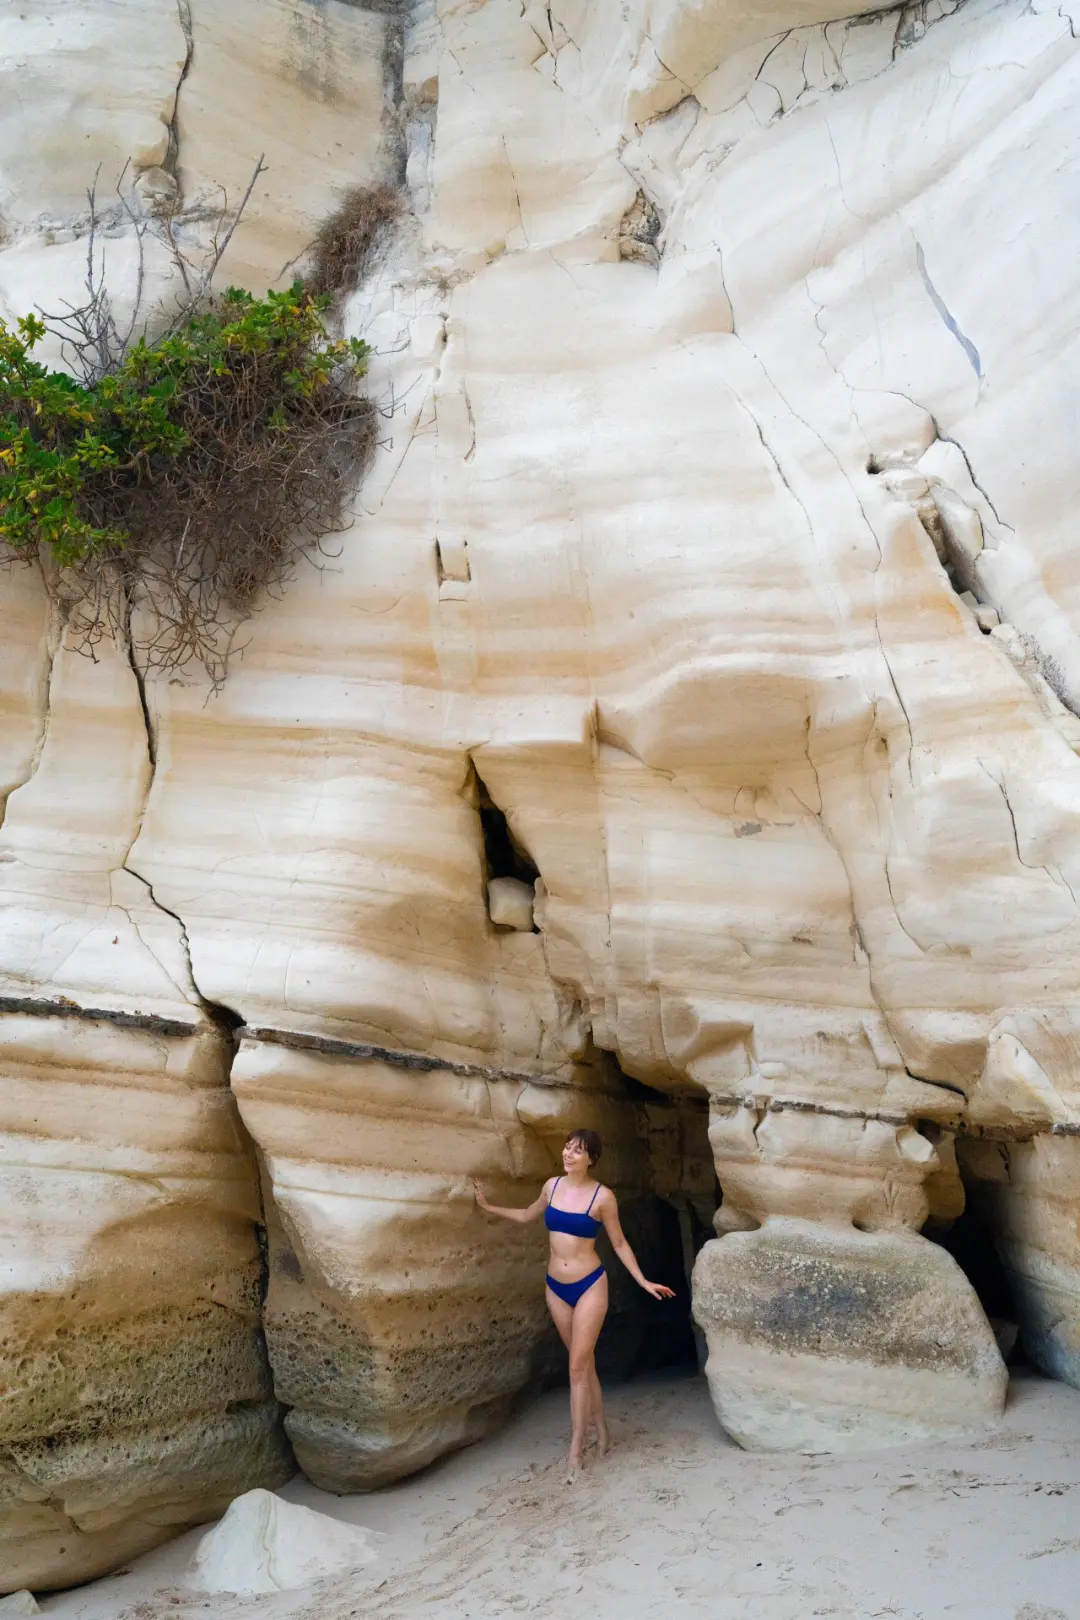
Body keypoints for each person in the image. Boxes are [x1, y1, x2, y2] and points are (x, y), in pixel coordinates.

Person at [473, 1128, 675, 1476]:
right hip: (556, 1287)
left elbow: (620, 1243)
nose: (568, 1154)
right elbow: (526, 1215)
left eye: (577, 1151)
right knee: (583, 1364)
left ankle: (576, 1450)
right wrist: (488, 1205)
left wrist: (642, 1280)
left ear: (591, 1159)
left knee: (577, 1368)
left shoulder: (603, 1197)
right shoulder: (551, 1186)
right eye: (567, 1148)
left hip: (590, 1286)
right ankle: (603, 1430)